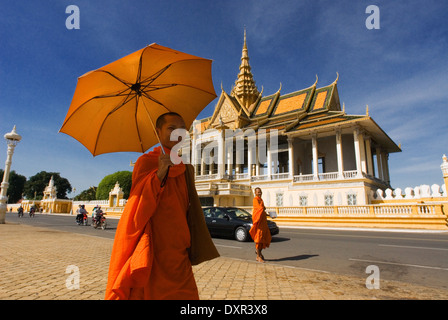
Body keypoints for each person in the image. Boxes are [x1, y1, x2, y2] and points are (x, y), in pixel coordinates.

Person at [105, 112, 219, 300]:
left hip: (178, 250)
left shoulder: (185, 168)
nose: (178, 134)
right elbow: (136, 208)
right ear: (158, 132)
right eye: (171, 129)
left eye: (182, 129)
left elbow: (187, 209)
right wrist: (158, 175)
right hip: (155, 250)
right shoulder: (146, 162)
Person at [249, 187, 272, 263]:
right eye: (258, 192)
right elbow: (259, 209)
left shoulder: (261, 200)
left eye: (260, 192)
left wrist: (270, 215)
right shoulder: (255, 200)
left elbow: (263, 211)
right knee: (259, 239)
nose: (259, 193)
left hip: (263, 223)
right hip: (259, 222)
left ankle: (258, 253)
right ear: (255, 193)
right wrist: (263, 208)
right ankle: (258, 256)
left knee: (264, 239)